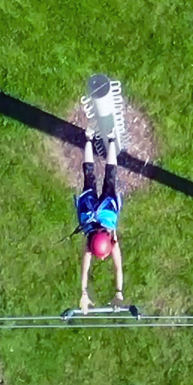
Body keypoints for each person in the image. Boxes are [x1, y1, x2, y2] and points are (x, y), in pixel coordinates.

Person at [76, 127, 124, 311]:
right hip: (88, 211)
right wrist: (83, 291)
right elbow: (85, 270)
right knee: (89, 177)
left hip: (107, 209)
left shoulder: (110, 238)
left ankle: (111, 139)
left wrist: (119, 291)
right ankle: (88, 138)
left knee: (110, 176)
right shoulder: (91, 243)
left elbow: (119, 268)